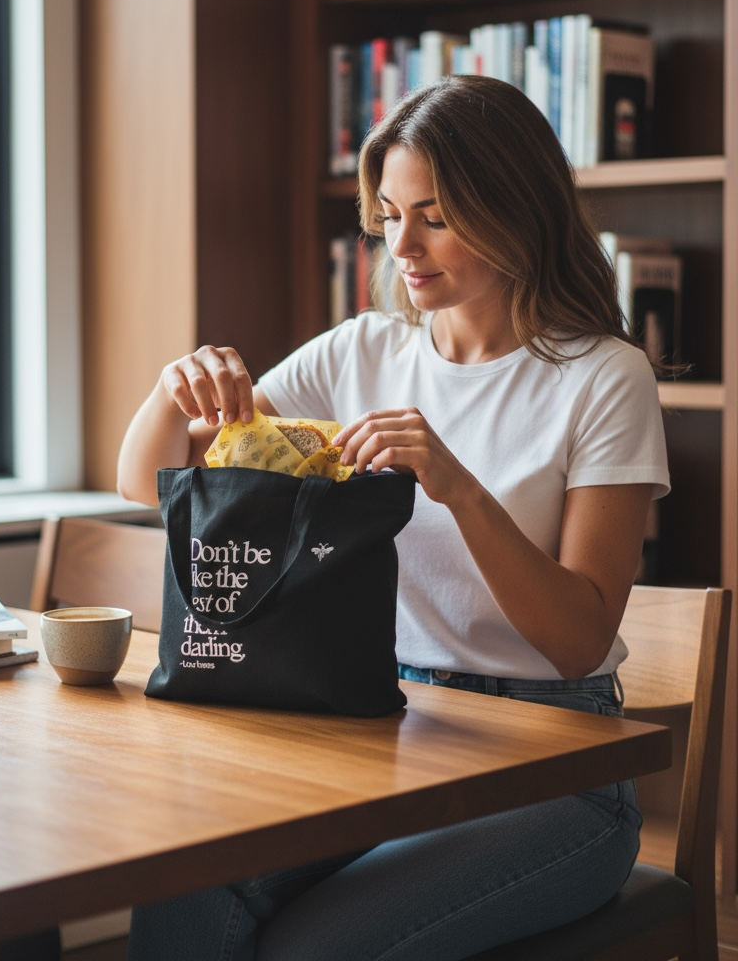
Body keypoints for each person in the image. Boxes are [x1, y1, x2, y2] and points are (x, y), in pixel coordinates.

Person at [117, 74, 670, 961]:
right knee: (188, 884)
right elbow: (147, 481)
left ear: (515, 210)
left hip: (564, 766)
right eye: (388, 212)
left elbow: (575, 641)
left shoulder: (605, 377)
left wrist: (455, 484)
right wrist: (168, 388)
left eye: (436, 216)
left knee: (311, 948)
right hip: (397, 727)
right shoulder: (362, 351)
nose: (400, 244)